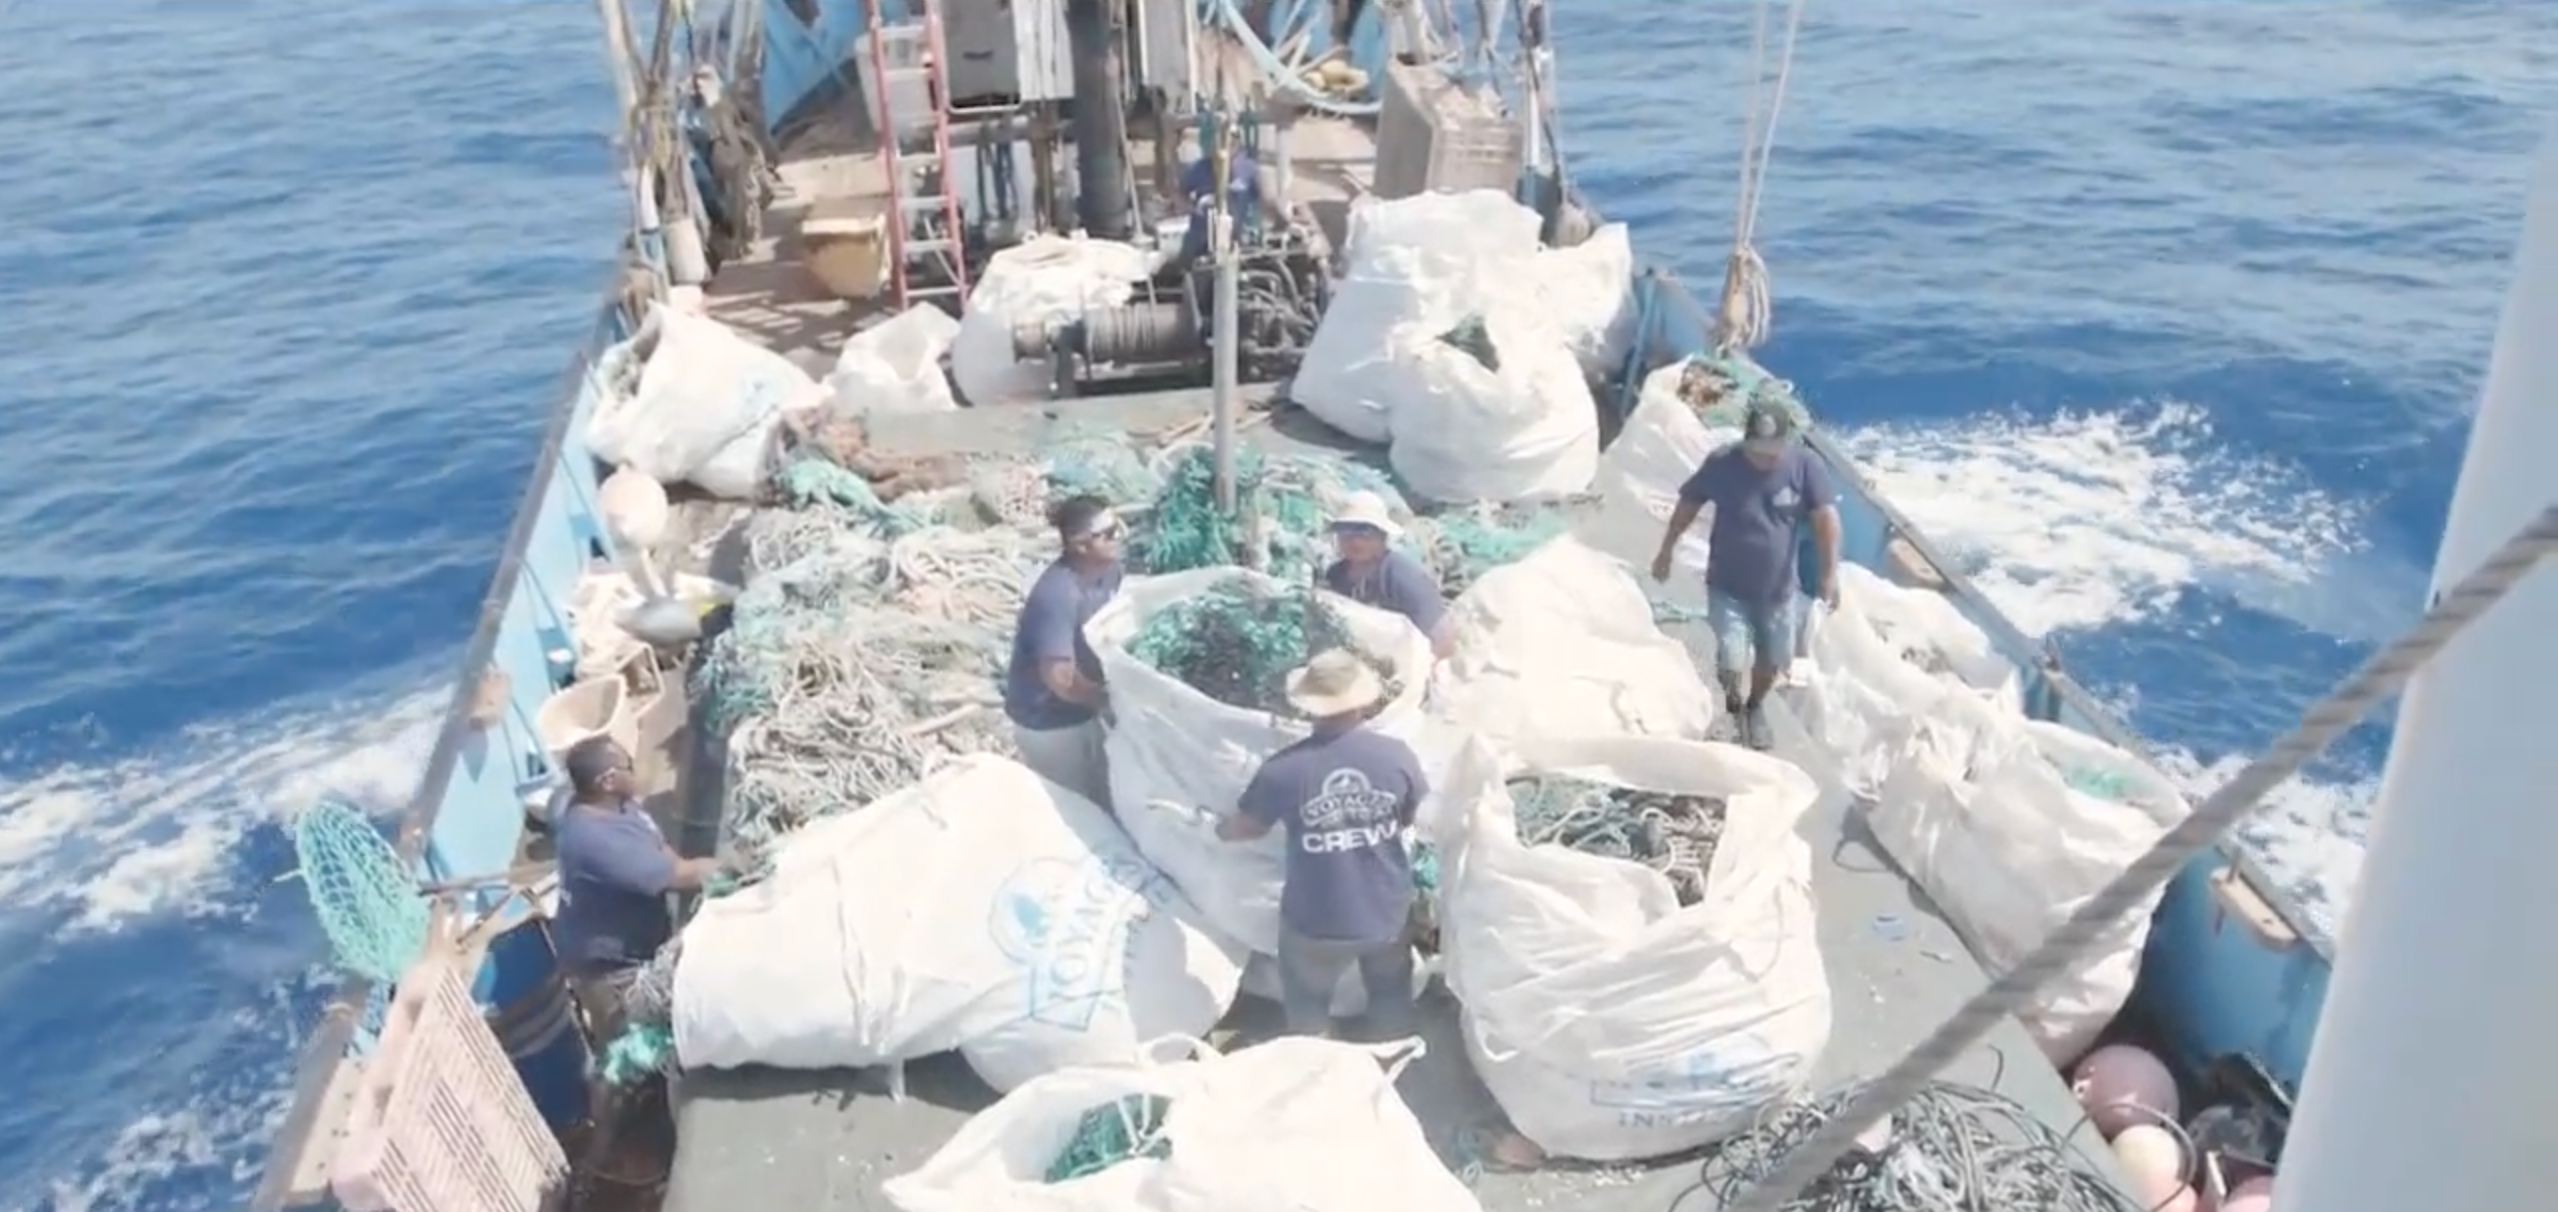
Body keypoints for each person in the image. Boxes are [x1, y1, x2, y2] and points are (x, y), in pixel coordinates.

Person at [1216, 649, 1427, 1040]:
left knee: (1308, 1005)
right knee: (1390, 993)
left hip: (1315, 922)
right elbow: (1409, 816)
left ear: (1307, 707)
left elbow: (1248, 828)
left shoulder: (1283, 770)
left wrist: (1217, 828)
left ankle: (1317, 1071)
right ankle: (1395, 1055)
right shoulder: (1397, 757)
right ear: (1363, 701)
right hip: (1386, 913)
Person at [1647, 401, 1840, 750]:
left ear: (1785, 441)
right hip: (1727, 587)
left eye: (1772, 450)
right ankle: (1734, 707)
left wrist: (1829, 575)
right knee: (1732, 656)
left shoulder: (1806, 467)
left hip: (1779, 593)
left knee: (1772, 660)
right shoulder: (1723, 463)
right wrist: (1666, 549)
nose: (1763, 458)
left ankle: (1755, 707)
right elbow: (1690, 503)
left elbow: (1825, 520)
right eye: (1756, 449)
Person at [553, 736, 719, 1045]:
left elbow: (664, 852)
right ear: (608, 781)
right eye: (629, 765)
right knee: (638, 1046)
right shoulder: (597, 842)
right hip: (614, 974)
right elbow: (679, 875)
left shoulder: (620, 805)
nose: (637, 769)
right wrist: (729, 866)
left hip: (644, 941)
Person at [1004, 493, 1125, 804]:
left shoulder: (1110, 571)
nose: (1119, 538)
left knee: (1105, 791)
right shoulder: (1057, 595)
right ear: (1080, 545)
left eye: (1118, 527)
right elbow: (1060, 678)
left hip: (1085, 707)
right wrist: (1108, 702)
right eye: (1108, 534)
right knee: (1075, 805)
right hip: (1048, 721)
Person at [1322, 491, 1455, 658]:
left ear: (1382, 536)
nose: (1355, 541)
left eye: (1364, 532)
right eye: (1347, 531)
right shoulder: (1335, 576)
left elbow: (1443, 636)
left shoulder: (1404, 577)